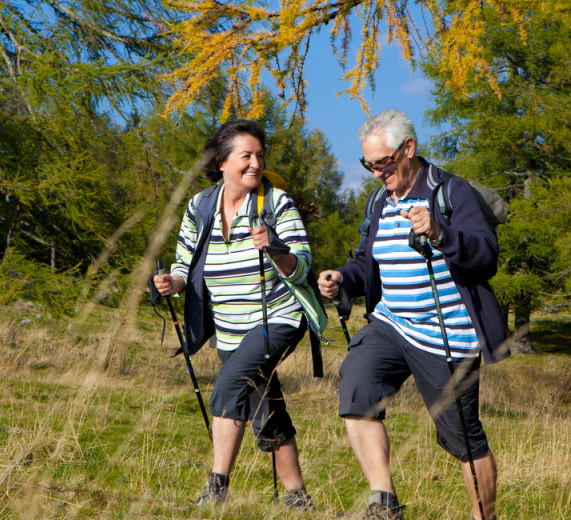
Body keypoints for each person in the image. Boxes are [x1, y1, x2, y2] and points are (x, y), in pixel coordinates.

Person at [318, 109, 509, 520]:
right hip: (391, 323)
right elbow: (369, 263)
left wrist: (440, 234)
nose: (374, 172)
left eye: (382, 162)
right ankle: (383, 505)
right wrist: (342, 279)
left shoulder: (450, 192)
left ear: (409, 148)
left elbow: (486, 253)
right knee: (357, 389)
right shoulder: (379, 201)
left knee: (463, 437)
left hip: (446, 333)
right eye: (367, 164)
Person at [153, 119, 314, 510]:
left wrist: (276, 249)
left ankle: (217, 488)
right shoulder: (200, 205)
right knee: (265, 407)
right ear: (222, 162)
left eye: (260, 156)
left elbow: (303, 265)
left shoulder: (276, 203)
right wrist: (171, 283)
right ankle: (297, 498)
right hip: (229, 329)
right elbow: (184, 261)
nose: (255, 164)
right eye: (246, 156)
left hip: (277, 319)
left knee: (229, 383)